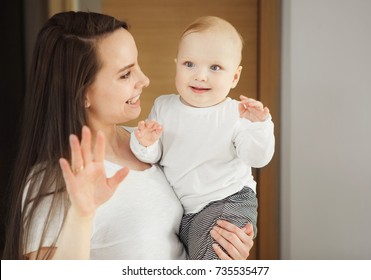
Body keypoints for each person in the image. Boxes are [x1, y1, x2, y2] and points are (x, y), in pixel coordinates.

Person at [2, 11, 255, 260]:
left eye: (137, 65)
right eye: (125, 74)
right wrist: (81, 216)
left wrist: (224, 247)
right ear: (82, 94)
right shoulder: (54, 181)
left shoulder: (149, 141)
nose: (144, 80)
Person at [130, 16, 275, 259]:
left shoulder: (236, 113)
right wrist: (145, 142)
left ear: (235, 78)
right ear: (176, 65)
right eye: (189, 64)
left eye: (215, 68)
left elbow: (258, 158)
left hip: (227, 200)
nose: (200, 76)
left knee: (212, 257)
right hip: (187, 212)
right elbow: (154, 156)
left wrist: (259, 126)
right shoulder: (164, 106)